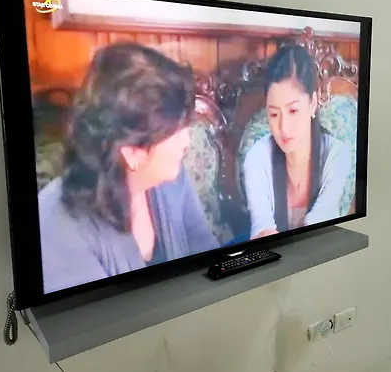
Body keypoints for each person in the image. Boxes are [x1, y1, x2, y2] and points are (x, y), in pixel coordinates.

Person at [39, 42, 219, 294]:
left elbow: (207, 255)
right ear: (131, 151)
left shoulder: (170, 177)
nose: (187, 140)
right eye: (176, 130)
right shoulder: (57, 228)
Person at [243, 44, 351, 239]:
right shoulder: (257, 159)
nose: (283, 127)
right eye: (274, 114)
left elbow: (319, 224)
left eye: (293, 111)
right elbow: (261, 226)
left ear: (313, 103)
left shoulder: (336, 155)